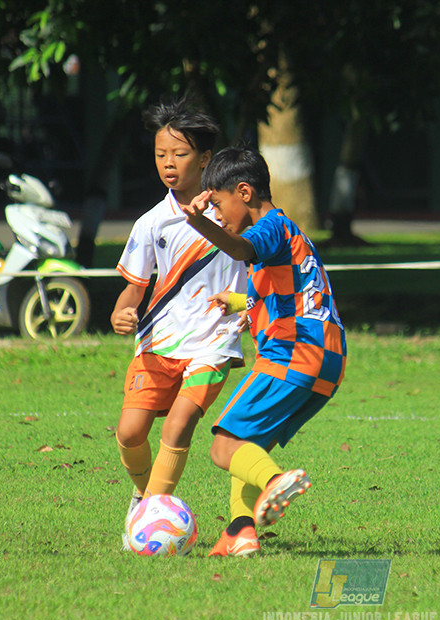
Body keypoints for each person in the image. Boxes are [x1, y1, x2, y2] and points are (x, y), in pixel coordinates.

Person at [181, 146, 347, 558]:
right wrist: (236, 302)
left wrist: (198, 221)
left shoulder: (270, 228)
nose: (218, 214)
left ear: (245, 192)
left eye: (219, 204)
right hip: (327, 359)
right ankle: (240, 533)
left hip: (296, 351)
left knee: (223, 445)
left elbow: (238, 248)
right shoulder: (289, 238)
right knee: (245, 444)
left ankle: (275, 481)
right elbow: (272, 294)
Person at [111, 99, 246, 548]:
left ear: (205, 160)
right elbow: (133, 290)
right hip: (159, 342)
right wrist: (121, 313)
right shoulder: (151, 223)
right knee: (130, 432)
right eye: (160, 155)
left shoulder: (230, 215)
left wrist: (248, 306)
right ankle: (146, 496)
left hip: (214, 341)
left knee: (179, 424)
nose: (168, 164)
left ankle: (151, 519)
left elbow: (260, 262)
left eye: (180, 154)